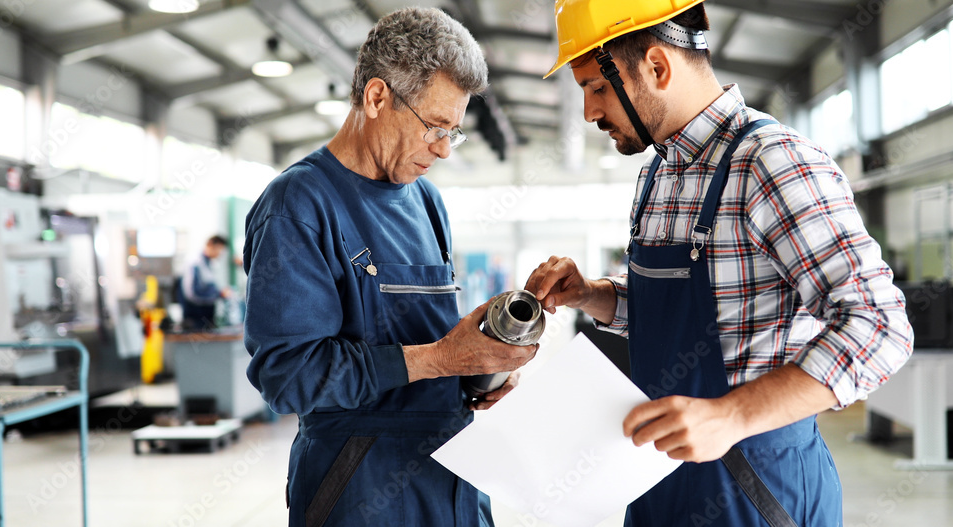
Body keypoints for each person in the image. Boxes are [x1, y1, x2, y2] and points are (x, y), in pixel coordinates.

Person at [526, 1, 914, 525]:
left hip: (759, 488)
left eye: (596, 88)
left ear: (657, 67)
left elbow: (879, 325)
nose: (591, 112)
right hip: (656, 479)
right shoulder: (657, 176)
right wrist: (593, 294)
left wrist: (731, 417)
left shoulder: (773, 162)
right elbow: (686, 309)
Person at [242, 8, 537, 527]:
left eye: (455, 132)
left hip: (453, 479)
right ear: (377, 97)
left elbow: (429, 340)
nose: (444, 150)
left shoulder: (426, 201)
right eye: (435, 127)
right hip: (359, 488)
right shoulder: (298, 205)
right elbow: (288, 376)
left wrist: (477, 371)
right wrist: (441, 359)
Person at [178, 234, 232, 330]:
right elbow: (192, 293)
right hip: (195, 319)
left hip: (206, 318)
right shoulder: (195, 263)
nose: (220, 253)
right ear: (211, 245)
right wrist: (218, 294)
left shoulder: (209, 263)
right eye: (220, 249)